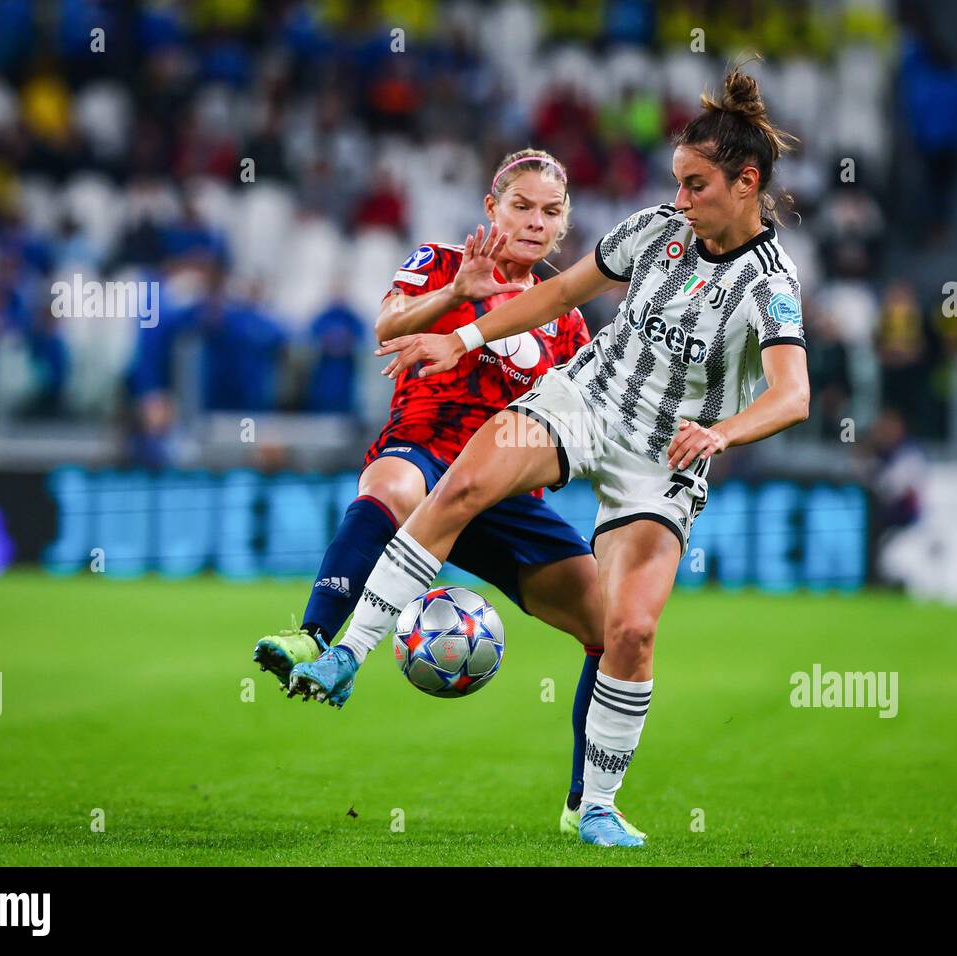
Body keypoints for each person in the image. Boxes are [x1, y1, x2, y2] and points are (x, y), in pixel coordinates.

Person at [290, 69, 811, 847]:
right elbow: (559, 294)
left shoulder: (771, 287)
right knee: (463, 483)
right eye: (676, 182)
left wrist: (724, 434)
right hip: (585, 402)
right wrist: (459, 335)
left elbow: (792, 395)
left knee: (628, 631)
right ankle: (348, 653)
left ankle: (594, 806)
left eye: (696, 185)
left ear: (747, 183)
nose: (681, 199)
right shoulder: (655, 230)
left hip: (662, 460)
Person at [254, 149, 644, 840]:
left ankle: (588, 804)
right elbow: (388, 327)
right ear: (491, 209)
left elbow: (570, 429)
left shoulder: (567, 320)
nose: (534, 221)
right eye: (520, 205)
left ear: (563, 227)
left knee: (608, 628)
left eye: (550, 212)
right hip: (429, 447)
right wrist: (458, 294)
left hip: (507, 488)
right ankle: (314, 637)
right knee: (394, 483)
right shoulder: (440, 259)